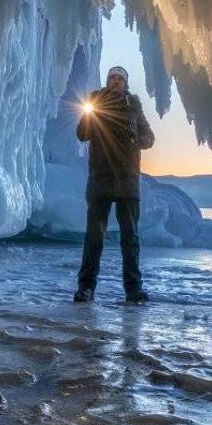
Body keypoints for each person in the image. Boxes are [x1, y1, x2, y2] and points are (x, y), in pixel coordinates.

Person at [73, 64, 155, 303]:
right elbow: (82, 134)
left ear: (125, 83)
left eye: (120, 78)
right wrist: (89, 113)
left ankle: (133, 290)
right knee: (94, 238)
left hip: (127, 181)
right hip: (100, 179)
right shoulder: (96, 104)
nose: (116, 80)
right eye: (112, 77)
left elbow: (149, 139)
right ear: (108, 81)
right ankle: (86, 288)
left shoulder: (134, 107)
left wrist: (134, 139)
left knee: (130, 238)